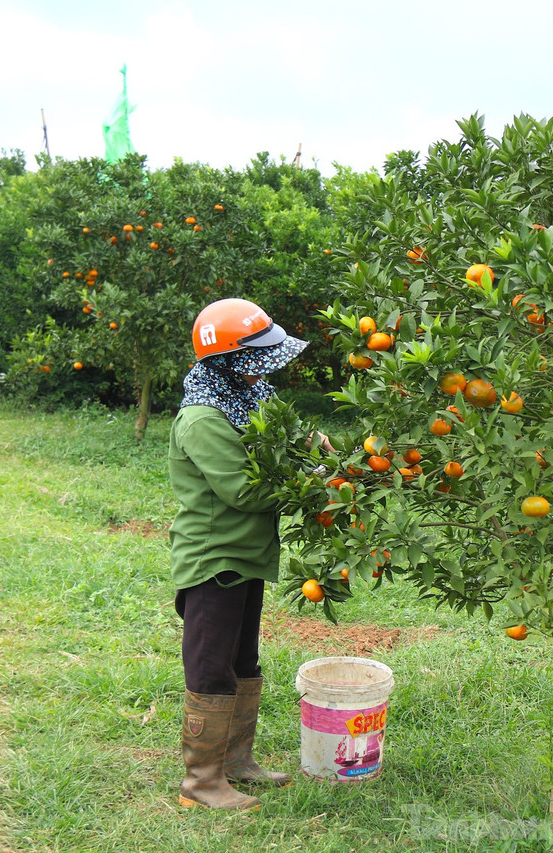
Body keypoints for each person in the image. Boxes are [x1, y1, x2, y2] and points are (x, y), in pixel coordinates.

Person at [168, 297, 328, 811]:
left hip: (247, 555)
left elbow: (275, 444)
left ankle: (237, 763)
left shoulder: (245, 400)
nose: (264, 368)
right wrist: (312, 484)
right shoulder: (202, 419)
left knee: (243, 662)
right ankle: (201, 782)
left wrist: (313, 446)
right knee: (211, 668)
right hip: (214, 559)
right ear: (228, 359)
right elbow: (242, 490)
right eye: (256, 357)